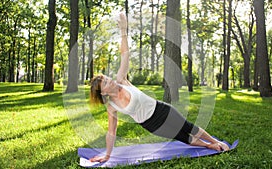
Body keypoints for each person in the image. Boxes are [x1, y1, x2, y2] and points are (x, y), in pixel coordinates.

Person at [89, 13, 229, 163]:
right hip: (151, 124)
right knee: (182, 137)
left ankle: (215, 142)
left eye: (106, 78)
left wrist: (123, 31)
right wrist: (107, 156)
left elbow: (125, 55)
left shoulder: (122, 81)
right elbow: (111, 132)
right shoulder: (112, 107)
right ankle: (209, 146)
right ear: (103, 92)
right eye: (104, 82)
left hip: (161, 109)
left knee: (187, 126)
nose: (109, 80)